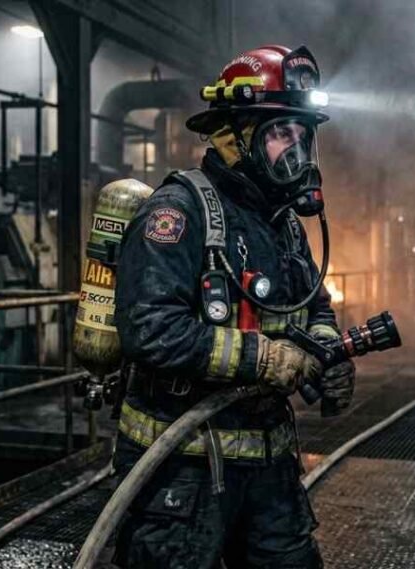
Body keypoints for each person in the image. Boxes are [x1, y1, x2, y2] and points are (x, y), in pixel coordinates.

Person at [112, 45, 352, 568]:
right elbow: (150, 330)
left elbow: (317, 308)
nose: (297, 149)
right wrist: (262, 359)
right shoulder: (178, 213)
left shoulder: (284, 221)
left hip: (269, 467)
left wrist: (329, 357)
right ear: (233, 136)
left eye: (302, 135)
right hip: (182, 471)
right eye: (279, 132)